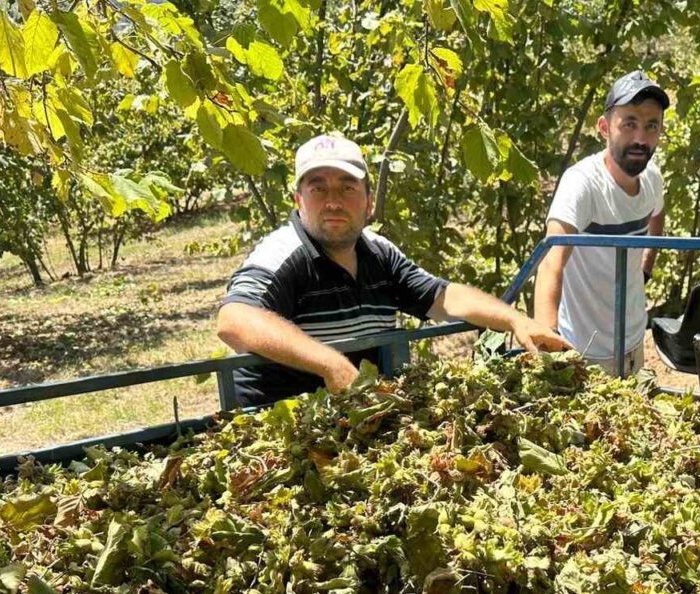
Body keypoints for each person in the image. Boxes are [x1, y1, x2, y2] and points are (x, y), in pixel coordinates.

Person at [218, 134, 570, 405]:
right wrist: (332, 365)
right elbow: (234, 321)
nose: (333, 201)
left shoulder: (378, 253)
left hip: (360, 415)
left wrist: (515, 320)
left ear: (368, 201)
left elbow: (443, 296)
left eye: (347, 187)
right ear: (299, 200)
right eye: (318, 188)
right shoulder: (282, 253)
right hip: (286, 425)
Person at [533, 70, 668, 375]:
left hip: (633, 338)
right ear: (605, 128)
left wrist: (646, 267)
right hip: (583, 349)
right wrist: (547, 340)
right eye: (629, 123)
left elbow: (657, 215)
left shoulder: (652, 178)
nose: (640, 138)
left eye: (651, 126)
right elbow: (550, 262)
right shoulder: (582, 184)